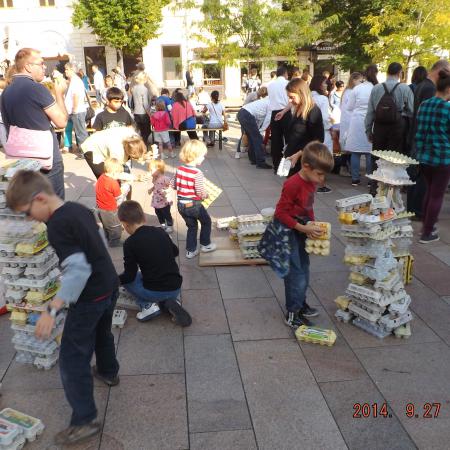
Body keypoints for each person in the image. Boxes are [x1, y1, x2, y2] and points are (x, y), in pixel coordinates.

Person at [6, 170, 119, 446]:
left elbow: (78, 271)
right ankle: (108, 370)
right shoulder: (78, 208)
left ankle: (85, 420)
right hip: (109, 284)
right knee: (103, 333)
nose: (30, 218)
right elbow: (99, 244)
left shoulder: (56, 225)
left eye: (27, 212)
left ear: (40, 198)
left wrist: (52, 310)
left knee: (72, 358)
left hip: (89, 297)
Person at [273, 142, 334, 328]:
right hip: (287, 231)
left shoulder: (310, 181)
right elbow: (280, 214)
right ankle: (292, 312)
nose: (322, 179)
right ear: (306, 167)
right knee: (295, 274)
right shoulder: (293, 184)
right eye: (320, 174)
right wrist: (302, 228)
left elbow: (308, 206)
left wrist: (311, 224)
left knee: (304, 269)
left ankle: (300, 302)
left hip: (300, 228)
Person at [0, 48, 67, 199]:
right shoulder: (37, 89)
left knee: (35, 203)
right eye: (41, 63)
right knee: (54, 204)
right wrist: (60, 94)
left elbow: (8, 125)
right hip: (46, 157)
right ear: (28, 66)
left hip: (23, 157)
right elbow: (61, 122)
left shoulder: (6, 91)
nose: (44, 67)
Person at [118, 200, 192, 325]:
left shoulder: (130, 243)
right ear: (144, 218)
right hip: (175, 286)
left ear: (125, 224)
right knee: (143, 275)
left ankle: (147, 306)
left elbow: (129, 276)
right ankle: (171, 301)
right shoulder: (161, 231)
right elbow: (175, 252)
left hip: (155, 290)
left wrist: (114, 281)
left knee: (129, 281)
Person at [407, 59, 450, 218]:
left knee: (417, 177)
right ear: (440, 71)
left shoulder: (422, 85)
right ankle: (418, 211)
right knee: (423, 184)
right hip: (428, 145)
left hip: (420, 141)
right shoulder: (430, 89)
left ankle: (414, 210)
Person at [415, 70, 450, 244]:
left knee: (429, 192)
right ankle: (427, 232)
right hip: (442, 158)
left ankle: (427, 225)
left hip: (424, 156)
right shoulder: (447, 108)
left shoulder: (424, 104)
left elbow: (419, 131)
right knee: (437, 195)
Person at [173, 140, 216, 258]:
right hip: (194, 205)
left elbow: (174, 185)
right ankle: (205, 244)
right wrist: (206, 195)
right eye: (202, 156)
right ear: (195, 157)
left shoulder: (179, 169)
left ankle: (190, 251)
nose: (203, 158)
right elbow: (200, 191)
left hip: (181, 204)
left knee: (191, 226)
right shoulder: (197, 173)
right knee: (206, 221)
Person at [365, 62, 414, 154]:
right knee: (395, 158)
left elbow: (370, 112)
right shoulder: (405, 88)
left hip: (379, 127)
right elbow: (412, 110)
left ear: (387, 73)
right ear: (400, 73)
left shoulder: (376, 88)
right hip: (398, 128)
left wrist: (368, 131)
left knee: (378, 158)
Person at [281, 78, 324, 177]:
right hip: (291, 155)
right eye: (288, 97)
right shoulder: (298, 108)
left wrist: (299, 154)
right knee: (288, 187)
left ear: (301, 94)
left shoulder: (313, 111)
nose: (290, 100)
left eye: (292, 97)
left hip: (303, 159)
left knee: (300, 189)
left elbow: (318, 140)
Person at [345, 64, 378, 186]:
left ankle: (355, 179)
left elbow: (349, 106)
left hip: (357, 121)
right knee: (369, 151)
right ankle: (370, 179)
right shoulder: (376, 87)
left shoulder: (357, 88)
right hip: (371, 121)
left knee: (355, 151)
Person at [81, 126, 146, 179]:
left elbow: (139, 149)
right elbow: (114, 171)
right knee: (105, 176)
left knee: (119, 176)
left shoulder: (135, 137)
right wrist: (135, 177)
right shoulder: (117, 150)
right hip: (92, 147)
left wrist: (142, 157)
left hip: (105, 142)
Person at [95, 157, 128, 247]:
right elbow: (119, 198)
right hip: (110, 210)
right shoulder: (113, 183)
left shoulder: (102, 177)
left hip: (100, 207)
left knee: (107, 225)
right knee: (115, 227)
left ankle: (108, 237)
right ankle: (114, 242)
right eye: (118, 173)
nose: (119, 175)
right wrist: (126, 187)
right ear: (114, 172)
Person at [236, 94, 272, 168]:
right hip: (247, 114)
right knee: (258, 139)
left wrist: (259, 129)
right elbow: (267, 120)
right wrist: (261, 131)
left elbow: (259, 119)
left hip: (242, 113)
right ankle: (260, 162)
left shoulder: (265, 101)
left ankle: (253, 159)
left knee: (252, 138)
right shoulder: (271, 104)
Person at [339, 73, 364, 177]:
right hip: (349, 122)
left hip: (348, 122)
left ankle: (347, 167)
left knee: (348, 147)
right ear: (354, 80)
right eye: (360, 81)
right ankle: (344, 167)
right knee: (347, 147)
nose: (361, 83)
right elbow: (350, 108)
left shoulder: (348, 91)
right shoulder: (350, 92)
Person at [267, 65, 290, 172]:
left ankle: (276, 167)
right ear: (285, 73)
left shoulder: (270, 85)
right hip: (286, 112)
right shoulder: (288, 83)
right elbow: (291, 101)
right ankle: (287, 168)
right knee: (289, 140)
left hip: (274, 113)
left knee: (276, 141)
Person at [64, 63, 89, 157]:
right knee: (79, 132)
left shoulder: (75, 81)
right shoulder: (74, 80)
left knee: (80, 133)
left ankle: (86, 153)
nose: (65, 71)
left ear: (71, 69)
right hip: (75, 111)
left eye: (66, 69)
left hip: (77, 111)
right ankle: (83, 151)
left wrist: (74, 109)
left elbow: (76, 95)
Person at [148, 159, 174, 232]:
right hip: (156, 199)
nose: (150, 172)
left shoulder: (165, 179)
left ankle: (169, 225)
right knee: (158, 212)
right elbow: (156, 186)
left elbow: (171, 187)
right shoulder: (155, 178)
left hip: (164, 200)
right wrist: (151, 189)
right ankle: (162, 224)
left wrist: (167, 192)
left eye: (151, 170)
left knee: (166, 213)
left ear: (158, 169)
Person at [131, 72, 151, 144]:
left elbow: (132, 101)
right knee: (146, 132)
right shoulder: (144, 89)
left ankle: (139, 145)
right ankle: (144, 147)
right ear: (145, 79)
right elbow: (145, 103)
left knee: (139, 131)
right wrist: (149, 113)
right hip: (143, 113)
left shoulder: (134, 88)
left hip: (136, 112)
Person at [0, 77, 7, 149]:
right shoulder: (5, 94)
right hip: (3, 118)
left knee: (2, 133)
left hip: (1, 118)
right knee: (4, 133)